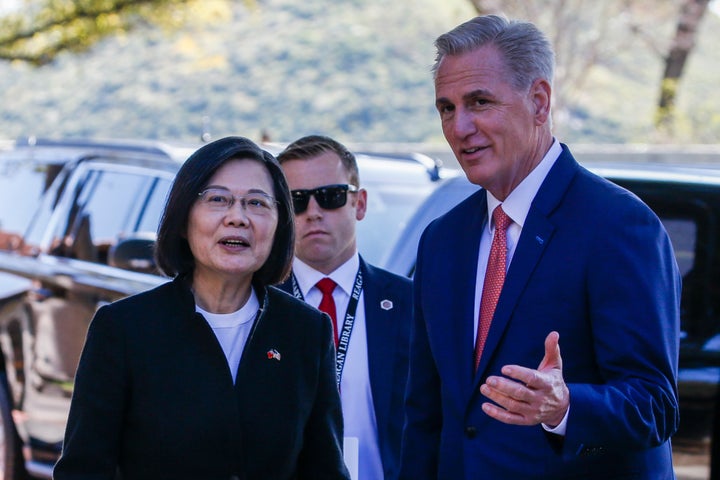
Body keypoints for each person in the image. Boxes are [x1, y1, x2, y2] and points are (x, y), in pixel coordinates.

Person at [399, 15, 681, 479]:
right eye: (446, 108)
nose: (459, 127)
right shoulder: (442, 240)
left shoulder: (619, 224)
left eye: (480, 102)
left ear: (539, 101)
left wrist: (564, 406)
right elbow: (426, 416)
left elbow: (656, 406)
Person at [54, 136, 350, 480]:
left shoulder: (306, 331)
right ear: (183, 219)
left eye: (257, 203)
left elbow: (325, 469)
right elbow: (83, 471)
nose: (238, 218)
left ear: (279, 224)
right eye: (218, 199)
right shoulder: (124, 330)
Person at [276, 135, 412, 480]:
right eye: (297, 201)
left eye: (331, 196)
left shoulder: (412, 304)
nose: (314, 213)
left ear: (360, 203)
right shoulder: (257, 307)